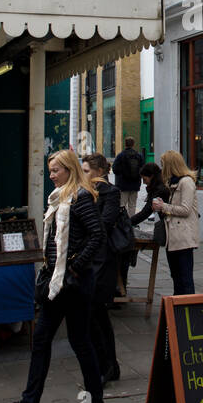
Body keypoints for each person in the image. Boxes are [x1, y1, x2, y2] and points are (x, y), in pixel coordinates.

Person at [0, 150, 106, 403]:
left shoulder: (80, 198)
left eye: (56, 170)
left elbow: (97, 235)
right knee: (65, 342)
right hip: (59, 282)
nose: (51, 175)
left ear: (68, 170)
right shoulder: (61, 198)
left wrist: (75, 267)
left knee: (63, 342)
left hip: (72, 285)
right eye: (50, 170)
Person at [81, 153, 120, 382]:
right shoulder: (84, 193)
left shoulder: (110, 193)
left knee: (98, 314)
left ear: (98, 171)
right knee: (94, 315)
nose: (83, 175)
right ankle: (107, 364)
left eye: (86, 171)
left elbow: (104, 224)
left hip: (103, 261)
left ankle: (108, 365)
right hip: (89, 260)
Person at [152, 150, 200, 296]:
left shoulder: (186, 182)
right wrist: (163, 206)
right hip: (173, 237)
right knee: (176, 277)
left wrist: (164, 207)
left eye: (163, 165)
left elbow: (185, 210)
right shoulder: (174, 183)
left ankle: (188, 311)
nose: (162, 169)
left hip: (183, 237)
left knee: (185, 279)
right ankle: (177, 312)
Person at [131, 162, 169, 237]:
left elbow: (146, 211)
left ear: (151, 176)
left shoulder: (159, 190)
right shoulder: (159, 186)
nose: (144, 182)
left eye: (144, 179)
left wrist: (127, 223)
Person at [112, 137, 143, 218]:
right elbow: (142, 169)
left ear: (125, 144)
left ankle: (123, 222)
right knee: (132, 205)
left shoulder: (120, 155)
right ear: (133, 144)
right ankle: (132, 221)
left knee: (122, 205)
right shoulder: (138, 155)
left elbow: (115, 169)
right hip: (135, 184)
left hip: (123, 185)